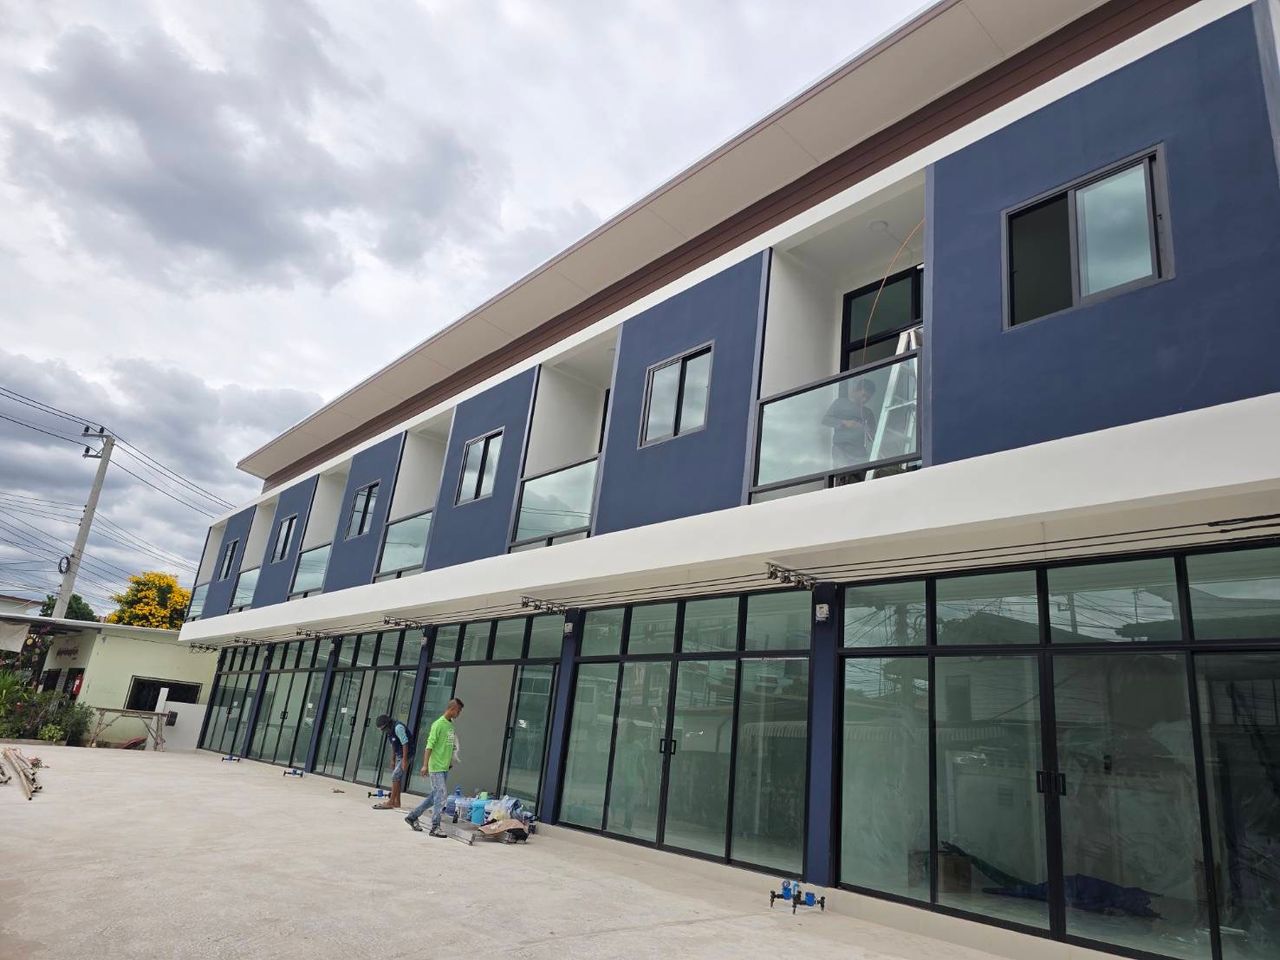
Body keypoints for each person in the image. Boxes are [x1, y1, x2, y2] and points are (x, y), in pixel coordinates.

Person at [404, 698, 464, 837]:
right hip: (436, 766)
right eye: (459, 711)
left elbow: (449, 745)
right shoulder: (438, 724)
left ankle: (412, 816)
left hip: (444, 767)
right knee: (441, 795)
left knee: (434, 797)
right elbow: (429, 746)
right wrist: (425, 765)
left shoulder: (450, 725)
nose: (459, 714)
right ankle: (435, 827)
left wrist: (451, 761)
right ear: (453, 709)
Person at [821, 378, 878, 481]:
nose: (864, 399)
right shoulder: (840, 403)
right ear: (856, 391)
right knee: (842, 479)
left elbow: (874, 437)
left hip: (859, 454)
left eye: (868, 398)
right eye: (863, 395)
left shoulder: (868, 412)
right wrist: (845, 423)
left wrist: (867, 430)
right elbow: (826, 420)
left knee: (860, 481)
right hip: (841, 449)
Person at [371, 714, 411, 810]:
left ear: (387, 724)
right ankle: (397, 802)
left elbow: (405, 743)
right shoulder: (389, 731)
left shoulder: (398, 728)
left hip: (407, 754)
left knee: (395, 776)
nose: (383, 731)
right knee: (397, 777)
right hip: (399, 754)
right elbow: (393, 745)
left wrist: (404, 760)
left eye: (383, 728)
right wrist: (393, 759)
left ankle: (391, 802)